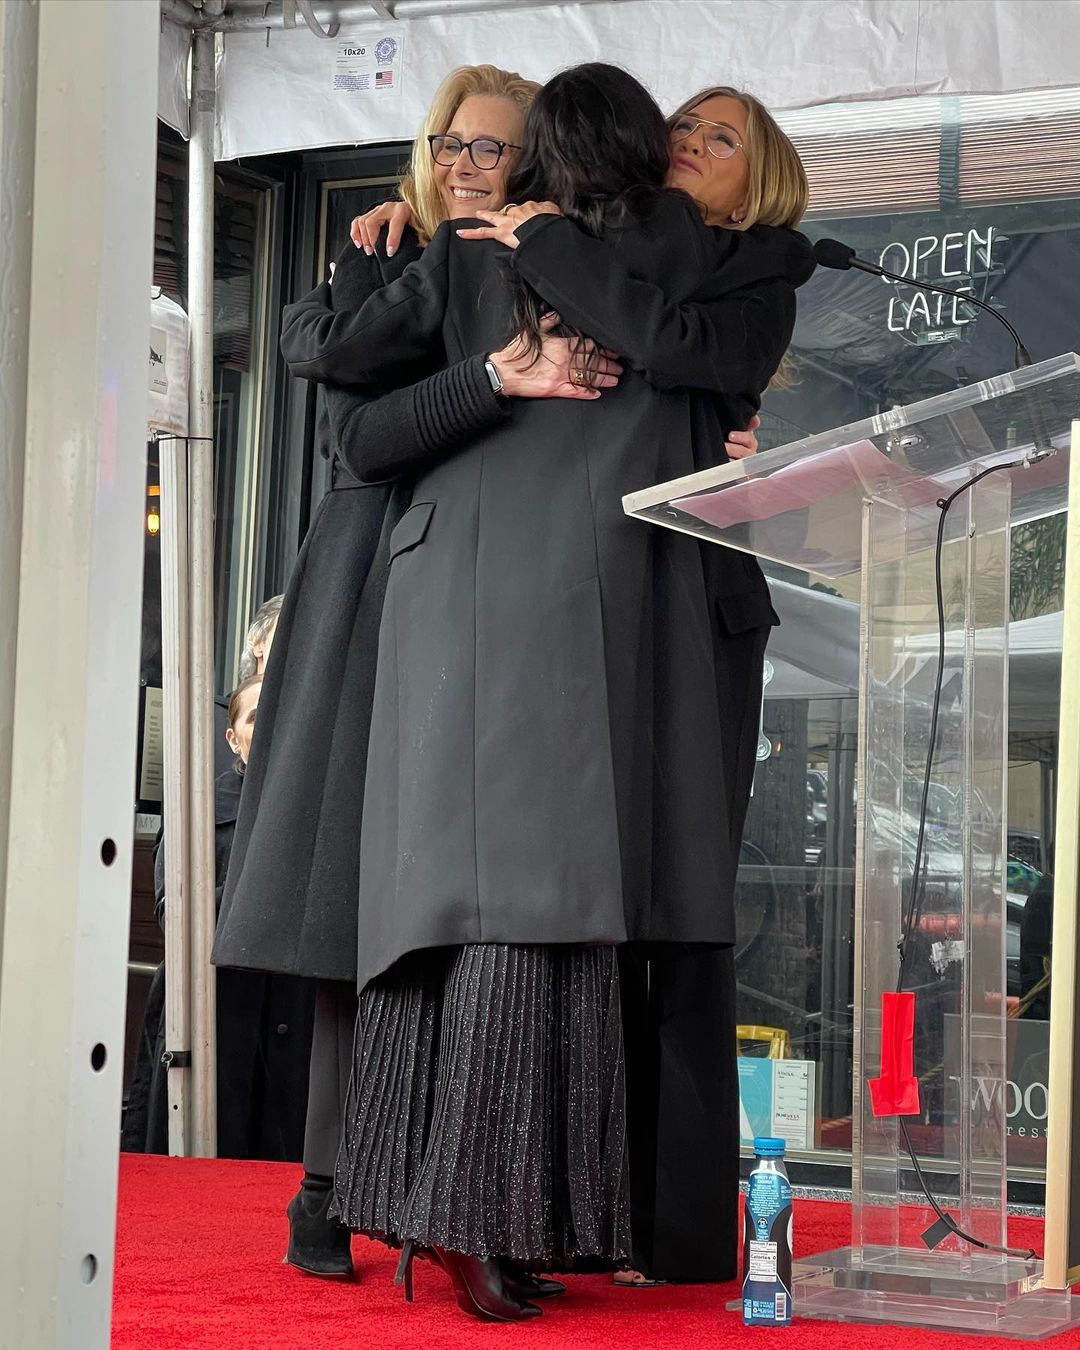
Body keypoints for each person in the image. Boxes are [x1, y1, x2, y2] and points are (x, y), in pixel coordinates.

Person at [279, 61, 814, 1321]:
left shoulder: (660, 261)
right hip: (522, 625)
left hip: (590, 624)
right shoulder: (490, 255)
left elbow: (691, 349)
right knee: (512, 915)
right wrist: (478, 352)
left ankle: (477, 1213)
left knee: (511, 917)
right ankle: (465, 1212)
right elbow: (350, 415)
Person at [212, 64, 629, 1283]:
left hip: (483, 583)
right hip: (371, 580)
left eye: (489, 148)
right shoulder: (397, 259)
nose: (460, 162)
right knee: (358, 892)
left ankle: (429, 1186)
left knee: (445, 909)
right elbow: (336, 394)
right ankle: (330, 1187)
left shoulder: (534, 263)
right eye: (445, 141)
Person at [125, 674, 316, 1161]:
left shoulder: (316, 807)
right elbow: (174, 915)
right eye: (253, 716)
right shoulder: (198, 808)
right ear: (232, 737)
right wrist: (254, 890)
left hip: (295, 1024)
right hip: (212, 1020)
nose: (266, 724)